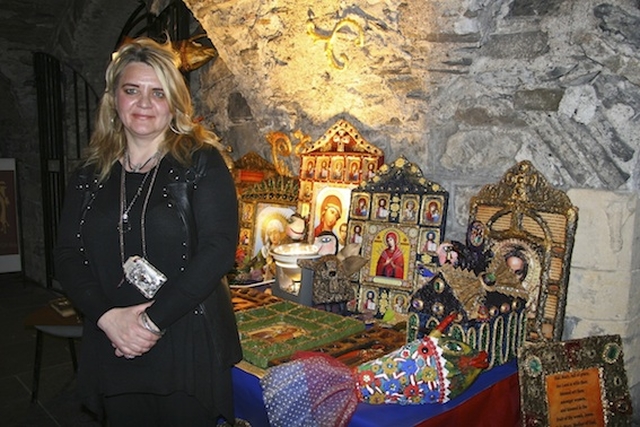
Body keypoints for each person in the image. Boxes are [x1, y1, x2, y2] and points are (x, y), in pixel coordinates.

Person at [54, 37, 242, 426]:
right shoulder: (89, 175)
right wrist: (108, 318)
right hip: (113, 341)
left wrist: (148, 323)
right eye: (132, 90)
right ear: (114, 100)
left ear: (174, 102)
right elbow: (68, 256)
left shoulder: (200, 162)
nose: (144, 103)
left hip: (183, 340)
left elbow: (219, 249)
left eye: (158, 92)